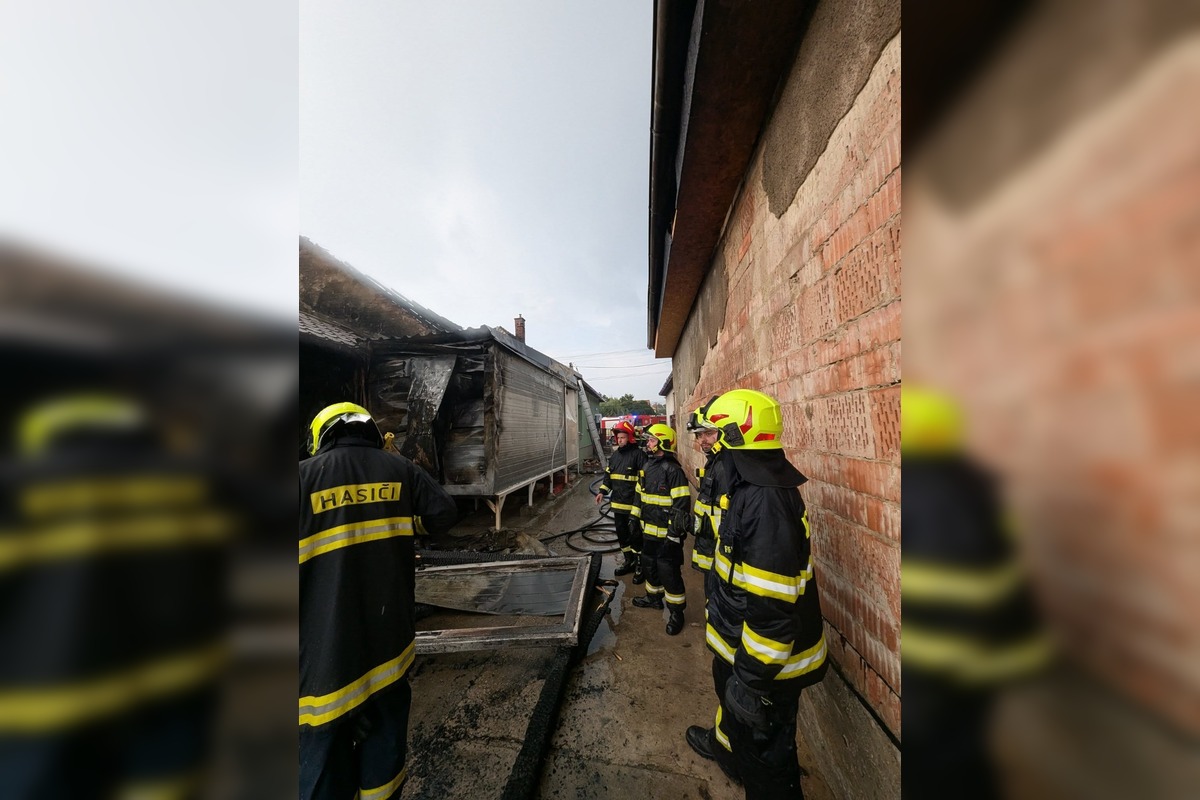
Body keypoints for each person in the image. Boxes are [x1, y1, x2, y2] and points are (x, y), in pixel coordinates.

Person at [299, 402, 458, 800]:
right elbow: (443, 513)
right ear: (372, 433)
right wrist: (404, 523)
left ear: (321, 436)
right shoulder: (399, 471)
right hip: (389, 652)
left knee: (322, 771)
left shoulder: (301, 479)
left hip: (325, 667)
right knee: (384, 760)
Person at [901, 386, 1051, 800]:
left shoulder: (932, 499)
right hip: (983, 657)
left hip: (944, 671)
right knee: (964, 758)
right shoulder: (969, 485)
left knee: (944, 769)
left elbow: (946, 601)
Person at [684, 389, 827, 800]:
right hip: (741, 648)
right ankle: (727, 754)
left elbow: (773, 607)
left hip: (766, 668)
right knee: (734, 722)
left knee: (768, 761)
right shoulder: (747, 486)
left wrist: (751, 679)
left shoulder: (764, 501)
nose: (701, 442)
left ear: (733, 436)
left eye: (710, 434)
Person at [629, 423, 691, 635]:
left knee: (669, 572)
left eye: (652, 440)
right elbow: (639, 495)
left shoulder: (673, 471)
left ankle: (676, 612)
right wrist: (633, 518)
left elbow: (681, 506)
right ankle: (653, 598)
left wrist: (674, 534)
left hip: (668, 536)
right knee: (649, 565)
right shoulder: (646, 467)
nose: (648, 443)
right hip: (648, 532)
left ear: (663, 442)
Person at [595, 420, 646, 583]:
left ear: (630, 438)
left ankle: (640, 565)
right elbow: (608, 476)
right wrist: (602, 491)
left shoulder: (639, 455)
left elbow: (645, 482)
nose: (619, 440)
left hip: (634, 506)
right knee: (623, 535)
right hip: (617, 506)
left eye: (623, 437)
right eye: (618, 437)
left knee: (636, 536)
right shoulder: (615, 456)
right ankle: (628, 561)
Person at [686, 400, 725, 579]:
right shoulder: (715, 462)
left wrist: (697, 526)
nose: (702, 440)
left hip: (723, 558)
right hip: (713, 552)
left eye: (709, 433)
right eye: (699, 435)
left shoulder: (727, 467)